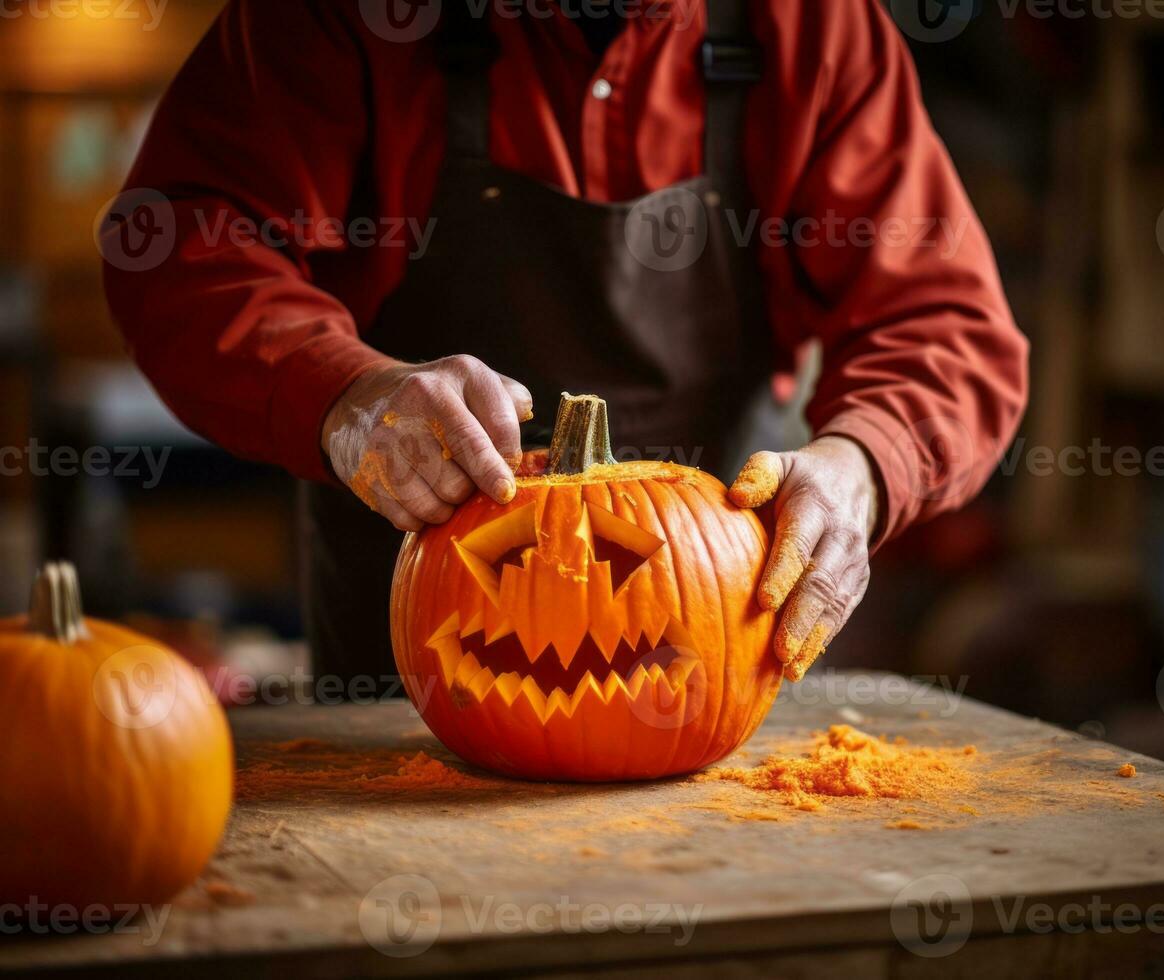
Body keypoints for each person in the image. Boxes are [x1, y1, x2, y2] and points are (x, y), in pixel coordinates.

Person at [102, 0, 1028, 687]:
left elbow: (946, 325)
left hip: (725, 659)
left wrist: (861, 468)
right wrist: (344, 396)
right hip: (414, 685)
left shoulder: (813, 27)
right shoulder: (341, 20)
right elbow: (181, 244)